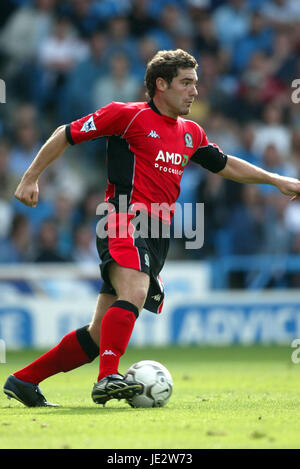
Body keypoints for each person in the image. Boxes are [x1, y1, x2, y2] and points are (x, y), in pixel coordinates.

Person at [3, 49, 300, 407]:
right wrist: (30, 177)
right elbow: (65, 133)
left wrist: (275, 179)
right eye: (186, 83)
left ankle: (24, 380)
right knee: (136, 290)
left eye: (196, 83)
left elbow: (225, 165)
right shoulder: (126, 116)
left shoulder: (191, 133)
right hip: (123, 217)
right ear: (161, 84)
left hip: (158, 232)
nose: (195, 92)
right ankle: (107, 379)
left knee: (99, 335)